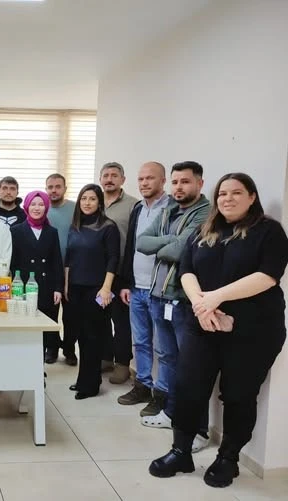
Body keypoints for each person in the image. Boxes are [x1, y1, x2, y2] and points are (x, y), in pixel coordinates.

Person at [149, 173, 288, 488]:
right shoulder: (204, 230)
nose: (227, 198)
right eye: (222, 193)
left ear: (252, 197)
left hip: (253, 330)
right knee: (187, 386)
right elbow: (186, 270)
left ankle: (228, 458)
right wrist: (202, 305)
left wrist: (215, 298)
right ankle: (180, 452)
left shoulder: (268, 231)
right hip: (203, 323)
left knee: (239, 394)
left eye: (236, 192)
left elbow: (268, 276)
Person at [136, 161, 211, 452]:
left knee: (193, 368)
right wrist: (170, 240)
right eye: (176, 182)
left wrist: (169, 244)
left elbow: (181, 251)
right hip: (158, 296)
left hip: (183, 300)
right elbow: (142, 243)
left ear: (200, 183)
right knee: (166, 357)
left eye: (186, 182)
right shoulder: (168, 210)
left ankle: (199, 430)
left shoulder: (205, 213)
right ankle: (170, 413)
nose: (179, 187)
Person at [117, 162, 170, 409]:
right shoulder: (138, 208)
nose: (144, 183)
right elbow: (131, 247)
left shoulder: (172, 208)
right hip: (136, 288)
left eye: (150, 178)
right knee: (140, 342)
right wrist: (126, 282)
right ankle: (142, 386)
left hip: (160, 290)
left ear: (163, 180)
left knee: (164, 348)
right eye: (141, 179)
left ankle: (162, 395)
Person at [64, 184, 119, 400]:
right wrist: (66, 285)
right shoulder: (75, 226)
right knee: (80, 335)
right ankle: (83, 379)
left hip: (96, 289)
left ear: (99, 202)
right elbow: (69, 258)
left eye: (92, 199)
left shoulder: (108, 227)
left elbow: (113, 259)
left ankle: (91, 384)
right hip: (75, 288)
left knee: (93, 337)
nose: (87, 203)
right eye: (84, 198)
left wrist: (106, 288)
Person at [11, 191, 63, 362]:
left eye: (41, 204)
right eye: (33, 204)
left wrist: (58, 288)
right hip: (24, 287)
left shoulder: (52, 232)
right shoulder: (16, 231)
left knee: (44, 330)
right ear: (26, 206)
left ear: (46, 207)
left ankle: (40, 369)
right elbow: (12, 263)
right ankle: (25, 365)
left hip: (47, 287)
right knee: (26, 329)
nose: (37, 208)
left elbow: (56, 261)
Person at [100, 162, 138, 384]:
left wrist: (128, 280)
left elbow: (134, 243)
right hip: (98, 273)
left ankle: (122, 363)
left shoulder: (133, 205)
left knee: (121, 321)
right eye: (106, 175)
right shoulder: (94, 202)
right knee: (101, 318)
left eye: (114, 175)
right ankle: (105, 357)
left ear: (123, 179)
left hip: (121, 273)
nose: (109, 179)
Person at [45, 173, 77, 365]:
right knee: (50, 312)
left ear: (65, 188)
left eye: (58, 186)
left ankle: (69, 349)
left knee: (71, 314)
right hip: (50, 271)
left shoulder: (75, 209)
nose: (54, 190)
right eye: (50, 187)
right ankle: (52, 347)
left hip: (73, 270)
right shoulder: (42, 208)